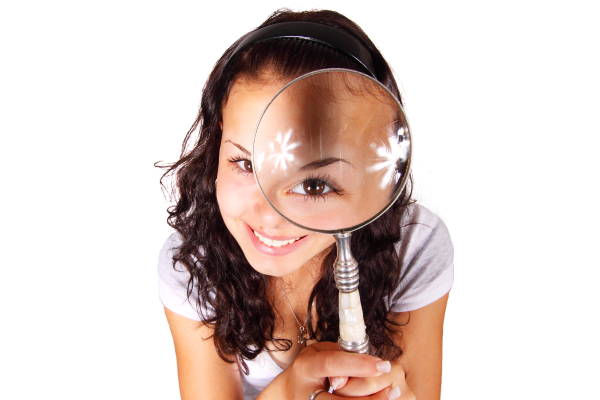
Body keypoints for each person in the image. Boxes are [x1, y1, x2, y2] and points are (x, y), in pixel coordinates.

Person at [157, 9, 453, 400]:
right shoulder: (193, 263)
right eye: (245, 163)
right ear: (216, 146)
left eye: (313, 185)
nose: (268, 213)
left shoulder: (415, 245)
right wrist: (288, 392)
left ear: (372, 175)